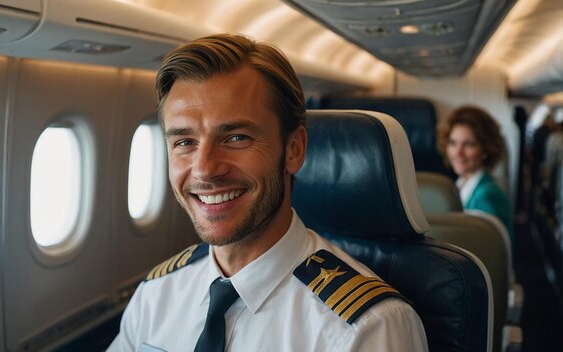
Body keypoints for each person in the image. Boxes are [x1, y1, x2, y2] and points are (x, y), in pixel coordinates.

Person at [108, 34, 428, 352]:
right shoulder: (157, 293)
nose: (205, 169)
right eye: (184, 142)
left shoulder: (365, 329)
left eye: (236, 138)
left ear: (293, 149)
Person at [437, 105, 514, 241]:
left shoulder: (487, 196)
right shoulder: (463, 181)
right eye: (453, 143)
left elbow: (485, 251)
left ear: (486, 148)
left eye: (469, 144)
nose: (458, 153)